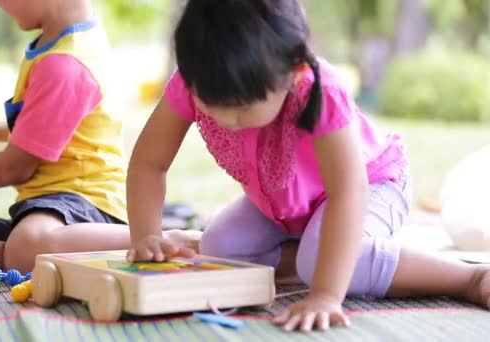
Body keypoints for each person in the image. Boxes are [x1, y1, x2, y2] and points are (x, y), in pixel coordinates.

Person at [125, 0, 490, 332]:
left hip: (371, 187)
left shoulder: (320, 90)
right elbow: (148, 163)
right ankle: (313, 256)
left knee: (319, 265)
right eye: (209, 102)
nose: (225, 118)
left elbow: (349, 191)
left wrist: (327, 295)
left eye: (241, 107)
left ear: (293, 71)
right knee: (221, 248)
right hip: (282, 205)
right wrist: (145, 235)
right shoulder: (194, 80)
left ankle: (468, 278)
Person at [0, 0, 195, 274]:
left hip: (85, 206)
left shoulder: (65, 64)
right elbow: (45, 125)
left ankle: (156, 238)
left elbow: (17, 166)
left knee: (28, 243)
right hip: (44, 211)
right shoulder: (63, 42)